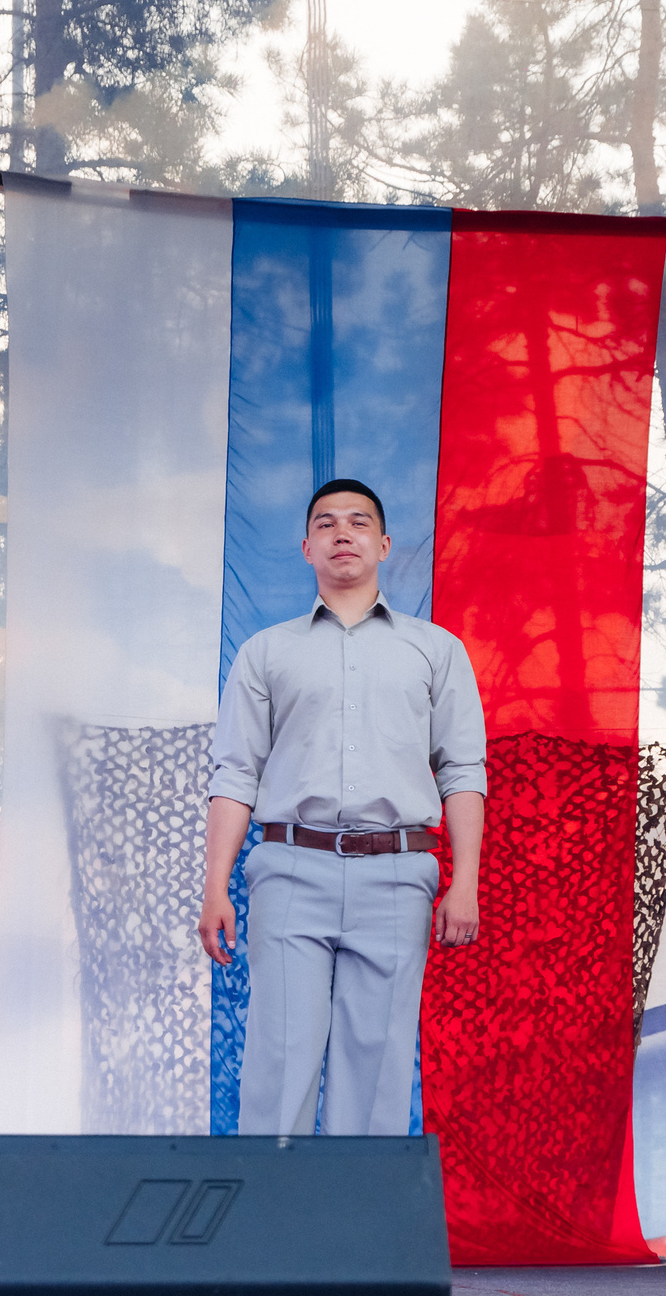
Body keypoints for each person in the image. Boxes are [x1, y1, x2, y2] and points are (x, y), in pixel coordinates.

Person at [198, 478, 487, 1136]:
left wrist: (463, 882)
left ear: (384, 544)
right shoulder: (266, 652)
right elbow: (236, 773)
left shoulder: (436, 650)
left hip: (398, 872)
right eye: (326, 523)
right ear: (306, 548)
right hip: (290, 868)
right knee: (279, 1060)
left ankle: (356, 1235)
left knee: (377, 1067)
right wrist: (214, 886)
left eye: (358, 522)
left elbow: (463, 771)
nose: (342, 533)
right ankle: (271, 1234)